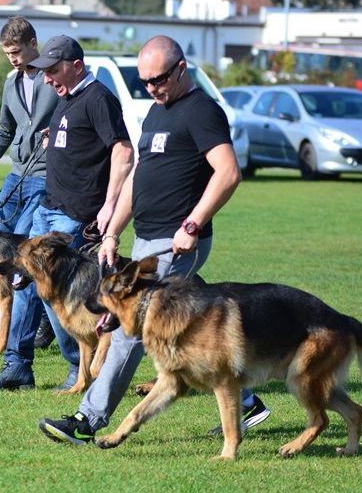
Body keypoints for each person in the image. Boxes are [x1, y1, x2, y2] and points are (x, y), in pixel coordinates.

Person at [38, 35, 270, 445]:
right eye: (144, 81)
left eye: (158, 79)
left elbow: (228, 172)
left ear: (181, 69)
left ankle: (87, 418)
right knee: (194, 324)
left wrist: (194, 224)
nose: (151, 88)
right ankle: (248, 401)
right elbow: (137, 177)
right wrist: (111, 231)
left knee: (129, 325)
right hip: (147, 237)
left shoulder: (202, 112)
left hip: (176, 240)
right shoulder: (156, 113)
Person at [0, 35, 134, 391]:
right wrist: (57, 133)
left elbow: (123, 151)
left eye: (53, 71)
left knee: (56, 298)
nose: (47, 79)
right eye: (45, 72)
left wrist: (110, 204)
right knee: (24, 284)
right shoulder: (69, 97)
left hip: (76, 214)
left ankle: (81, 368)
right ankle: (17, 365)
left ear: (76, 66)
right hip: (48, 206)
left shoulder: (99, 99)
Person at [0, 16, 59, 352]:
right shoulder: (11, 83)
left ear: (34, 43)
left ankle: (39, 325)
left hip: (45, 175)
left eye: (16, 52)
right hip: (16, 173)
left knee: (19, 252)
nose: (13, 59)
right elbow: (5, 129)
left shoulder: (54, 77)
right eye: (7, 54)